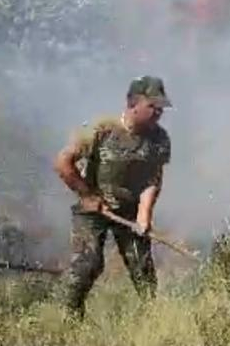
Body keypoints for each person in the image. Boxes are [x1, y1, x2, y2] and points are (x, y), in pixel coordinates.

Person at [53, 76, 172, 318]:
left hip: (129, 209)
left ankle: (154, 321)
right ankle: (68, 318)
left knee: (142, 269)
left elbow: (153, 179)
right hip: (94, 209)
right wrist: (87, 195)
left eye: (161, 107)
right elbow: (63, 163)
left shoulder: (159, 139)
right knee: (89, 263)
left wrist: (144, 214)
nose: (158, 112)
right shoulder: (101, 129)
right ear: (133, 104)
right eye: (152, 106)